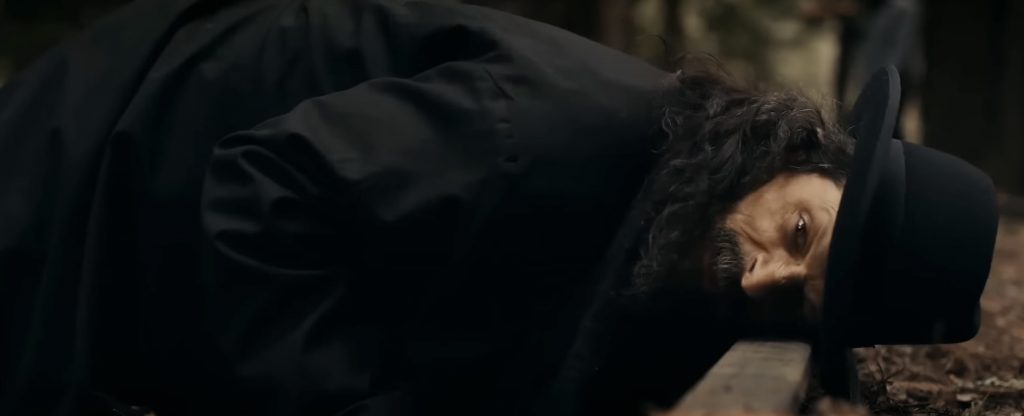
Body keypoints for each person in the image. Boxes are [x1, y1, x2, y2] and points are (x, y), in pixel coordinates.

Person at [0, 1, 997, 415]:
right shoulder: (540, 129)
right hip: (86, 168)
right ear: (796, 154)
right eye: (799, 232)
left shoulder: (688, 210)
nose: (765, 275)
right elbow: (260, 189)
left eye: (799, 297)